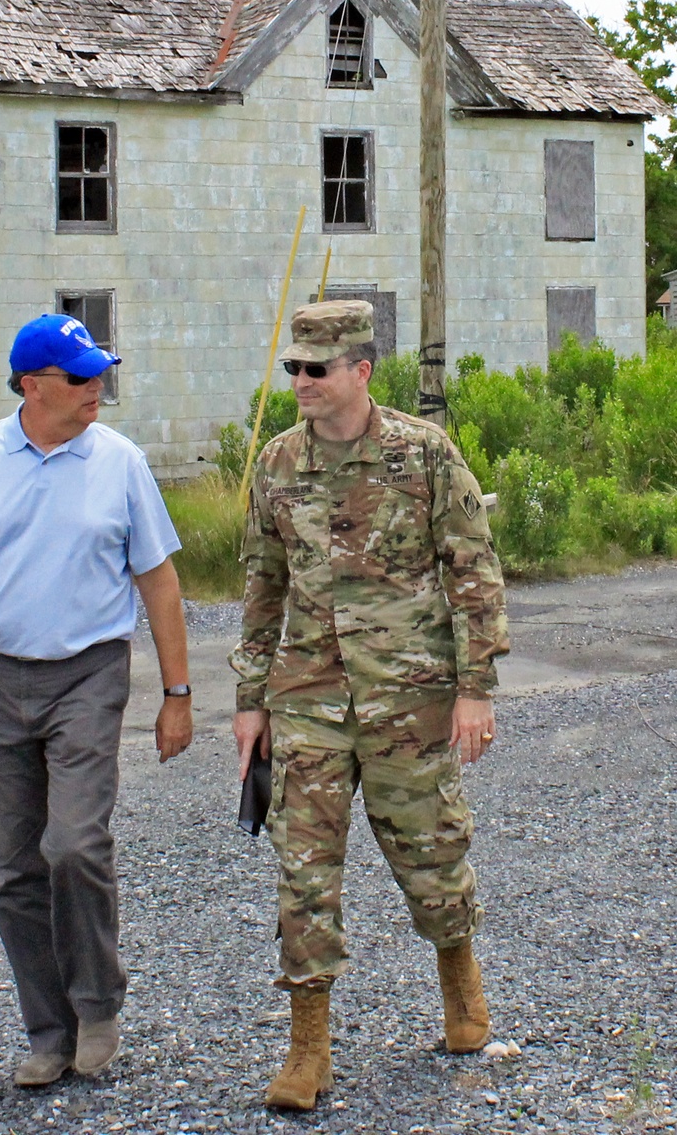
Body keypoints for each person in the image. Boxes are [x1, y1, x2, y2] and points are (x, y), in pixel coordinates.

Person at [0, 313, 194, 1087]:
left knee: (74, 845)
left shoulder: (120, 462)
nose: (98, 389)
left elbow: (159, 583)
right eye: (81, 378)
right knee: (14, 870)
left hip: (87, 674)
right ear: (32, 386)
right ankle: (47, 1029)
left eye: (101, 375)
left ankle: (98, 1004)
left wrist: (177, 693)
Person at [230, 299, 509, 1111]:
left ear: (361, 371)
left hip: (408, 696)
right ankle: (307, 1045)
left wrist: (474, 688)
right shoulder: (279, 465)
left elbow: (472, 571)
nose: (302, 383)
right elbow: (261, 587)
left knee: (430, 852)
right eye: (294, 369)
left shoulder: (423, 455)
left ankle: (459, 977)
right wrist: (249, 702)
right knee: (303, 867)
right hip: (308, 698)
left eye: (317, 369)